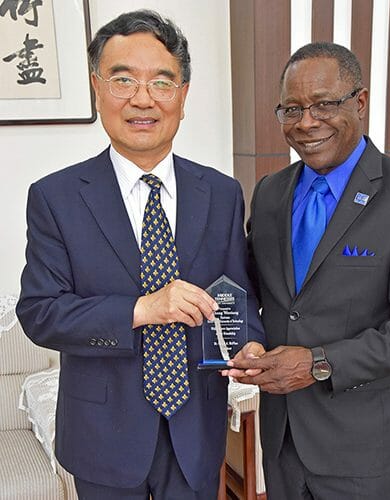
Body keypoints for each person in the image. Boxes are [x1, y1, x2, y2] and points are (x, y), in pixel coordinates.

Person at [16, 10, 264, 500]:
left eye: (162, 82)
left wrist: (250, 344)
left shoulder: (222, 193)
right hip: (102, 435)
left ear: (183, 95)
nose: (143, 99)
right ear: (97, 89)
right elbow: (41, 314)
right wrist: (144, 308)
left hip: (197, 429)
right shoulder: (56, 197)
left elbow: (237, 293)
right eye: (123, 80)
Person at [225, 42, 390, 499]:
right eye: (292, 109)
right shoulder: (270, 193)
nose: (306, 122)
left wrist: (318, 363)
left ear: (361, 102)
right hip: (282, 437)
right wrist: (244, 337)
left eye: (324, 104)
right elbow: (254, 288)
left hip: (364, 446)